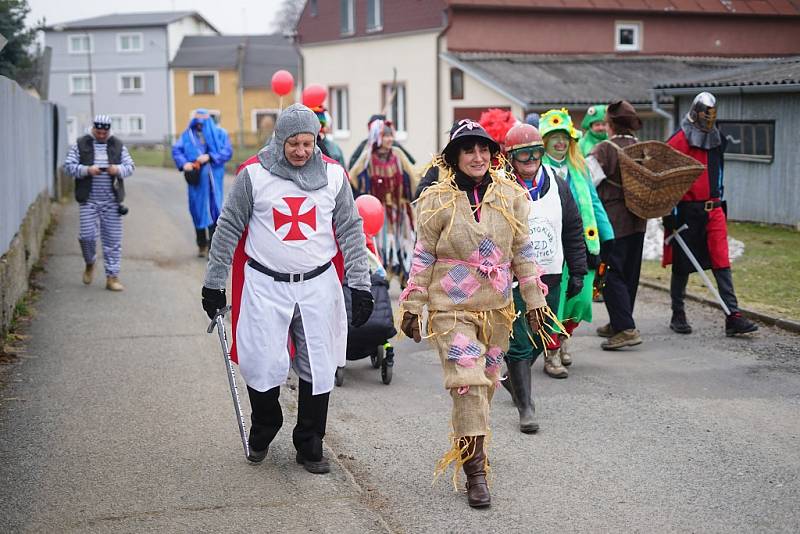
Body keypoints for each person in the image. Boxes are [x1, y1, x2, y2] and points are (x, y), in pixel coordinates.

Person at [201, 104, 374, 473]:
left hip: (318, 285)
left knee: (319, 366)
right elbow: (228, 228)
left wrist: (360, 284)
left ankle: (310, 442)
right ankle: (266, 424)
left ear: (317, 141)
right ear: (280, 140)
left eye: (307, 143)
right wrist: (214, 283)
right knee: (260, 362)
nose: (300, 151)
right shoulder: (254, 176)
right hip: (265, 284)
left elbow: (351, 231)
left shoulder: (333, 177)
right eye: (293, 143)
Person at [399, 119, 554, 508]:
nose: (478, 156)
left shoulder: (510, 194)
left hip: (498, 310)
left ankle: (474, 447)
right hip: (450, 310)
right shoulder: (437, 198)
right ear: (454, 156)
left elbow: (523, 251)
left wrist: (535, 301)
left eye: (484, 149)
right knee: (467, 382)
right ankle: (476, 476)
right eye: (469, 149)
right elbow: (423, 254)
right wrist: (413, 303)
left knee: (485, 385)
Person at [503, 123, 587, 431]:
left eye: (536, 153)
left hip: (551, 274)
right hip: (513, 278)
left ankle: (509, 378)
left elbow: (574, 228)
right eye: (523, 155)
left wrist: (578, 270)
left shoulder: (558, 183)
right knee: (519, 343)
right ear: (510, 157)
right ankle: (526, 407)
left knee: (544, 333)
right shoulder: (501, 187)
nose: (530, 160)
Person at [664, 92, 757, 337]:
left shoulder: (717, 139)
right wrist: (669, 212)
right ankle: (678, 312)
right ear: (696, 113)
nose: (708, 120)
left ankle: (733, 316)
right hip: (686, 210)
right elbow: (666, 178)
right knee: (683, 263)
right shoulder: (679, 141)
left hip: (713, 208)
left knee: (721, 259)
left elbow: (718, 172)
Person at [540, 108, 615, 377]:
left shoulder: (579, 168)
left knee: (580, 300)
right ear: (544, 141)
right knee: (555, 302)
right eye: (554, 137)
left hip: (580, 244)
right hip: (550, 248)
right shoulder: (538, 171)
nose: (560, 142)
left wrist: (608, 238)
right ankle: (551, 353)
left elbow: (594, 204)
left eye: (565, 137)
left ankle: (563, 338)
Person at [586, 100, 646, 350]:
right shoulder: (641, 147)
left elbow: (589, 182)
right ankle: (620, 321)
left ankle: (626, 328)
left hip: (613, 222)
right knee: (629, 274)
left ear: (610, 125)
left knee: (610, 273)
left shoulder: (604, 149)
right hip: (639, 220)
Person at [64, 114, 135, 291]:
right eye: (99, 131)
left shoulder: (117, 145)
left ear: (108, 130)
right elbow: (68, 166)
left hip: (112, 202)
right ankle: (90, 262)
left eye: (105, 132)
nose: (102, 135)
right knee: (86, 236)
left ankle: (112, 277)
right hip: (88, 200)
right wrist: (87, 170)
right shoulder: (81, 144)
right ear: (94, 128)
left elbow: (130, 166)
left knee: (112, 241)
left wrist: (116, 169)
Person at [349, 119, 418, 285]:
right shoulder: (367, 157)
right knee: (381, 247)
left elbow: (414, 176)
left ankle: (405, 282)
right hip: (378, 214)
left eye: (390, 136)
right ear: (377, 137)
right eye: (385, 136)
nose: (389, 139)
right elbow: (352, 176)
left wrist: (417, 195)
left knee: (404, 247)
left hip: (400, 213)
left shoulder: (398, 155)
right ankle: (382, 280)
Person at [172, 109, 233, 257]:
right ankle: (201, 244)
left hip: (213, 180)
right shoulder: (187, 135)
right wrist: (184, 163)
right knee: (197, 210)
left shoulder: (220, 134)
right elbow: (177, 150)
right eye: (197, 123)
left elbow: (227, 151)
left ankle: (213, 246)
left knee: (214, 210)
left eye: (203, 123)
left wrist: (210, 156)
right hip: (197, 180)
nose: (200, 126)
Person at [348, 114, 416, 170]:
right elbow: (353, 166)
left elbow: (411, 163)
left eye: (390, 135)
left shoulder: (395, 148)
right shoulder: (366, 148)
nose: (390, 139)